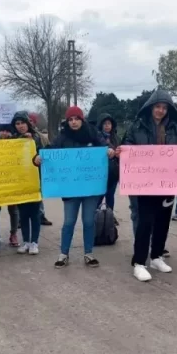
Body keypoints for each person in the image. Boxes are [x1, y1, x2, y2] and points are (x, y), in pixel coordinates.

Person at [117, 90, 177, 282]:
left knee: (163, 221)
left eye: (164, 108)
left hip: (167, 182)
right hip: (144, 183)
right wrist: (123, 151)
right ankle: (139, 262)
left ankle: (156, 256)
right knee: (145, 222)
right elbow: (127, 145)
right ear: (151, 107)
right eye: (158, 107)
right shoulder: (136, 126)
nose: (161, 110)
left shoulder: (175, 128)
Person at [41, 106, 114, 268]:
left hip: (90, 189)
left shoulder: (93, 134)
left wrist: (110, 151)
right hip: (70, 189)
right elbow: (50, 151)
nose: (74, 122)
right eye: (70, 120)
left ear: (82, 119)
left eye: (76, 119)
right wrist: (37, 157)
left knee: (88, 221)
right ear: (67, 122)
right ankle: (63, 254)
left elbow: (105, 147)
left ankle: (89, 253)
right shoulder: (62, 137)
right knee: (69, 222)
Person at [12, 111, 44, 255]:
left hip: (35, 179)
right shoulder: (13, 140)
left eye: (22, 123)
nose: (20, 126)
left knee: (35, 213)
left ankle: (34, 242)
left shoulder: (37, 137)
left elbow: (45, 153)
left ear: (28, 123)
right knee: (23, 214)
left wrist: (33, 143)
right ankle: (25, 241)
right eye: (17, 124)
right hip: (19, 181)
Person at [0, 124, 21, 247]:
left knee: (14, 210)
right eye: (2, 131)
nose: (4, 133)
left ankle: (13, 233)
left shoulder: (17, 143)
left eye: (7, 131)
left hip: (12, 180)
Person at [29, 113, 53, 226]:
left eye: (31, 121)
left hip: (37, 170)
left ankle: (41, 215)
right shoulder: (17, 136)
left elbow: (46, 150)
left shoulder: (39, 137)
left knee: (38, 194)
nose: (29, 123)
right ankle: (20, 219)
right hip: (22, 171)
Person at [97, 113, 120, 221]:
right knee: (99, 196)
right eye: (105, 124)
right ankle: (96, 215)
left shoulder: (115, 137)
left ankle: (110, 216)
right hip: (100, 173)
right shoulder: (97, 137)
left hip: (113, 172)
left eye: (109, 124)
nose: (107, 126)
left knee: (110, 196)